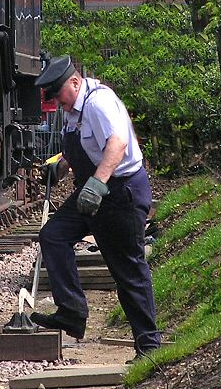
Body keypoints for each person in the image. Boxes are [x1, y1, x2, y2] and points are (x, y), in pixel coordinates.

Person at [32, 55, 162, 358]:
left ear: (74, 83)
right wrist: (61, 165)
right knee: (53, 235)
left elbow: (117, 145)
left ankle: (150, 346)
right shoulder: (74, 107)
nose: (58, 103)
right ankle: (72, 312)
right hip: (94, 191)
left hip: (120, 193)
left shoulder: (98, 103)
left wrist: (97, 184)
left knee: (127, 270)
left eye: (59, 96)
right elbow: (83, 144)